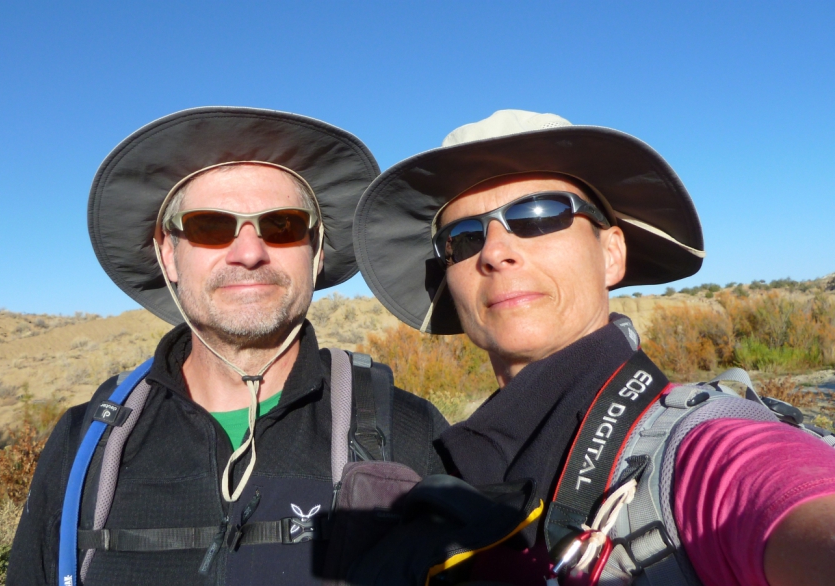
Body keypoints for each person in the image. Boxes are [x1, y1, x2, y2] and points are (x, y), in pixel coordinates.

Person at [352, 109, 835, 586]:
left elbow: (788, 501)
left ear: (611, 254)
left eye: (539, 215)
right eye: (464, 237)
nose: (495, 252)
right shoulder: (446, 465)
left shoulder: (707, 452)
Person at [7, 107, 448, 586]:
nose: (249, 251)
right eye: (210, 226)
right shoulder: (86, 442)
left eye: (282, 225)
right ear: (168, 254)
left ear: (316, 252)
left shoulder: (407, 431)